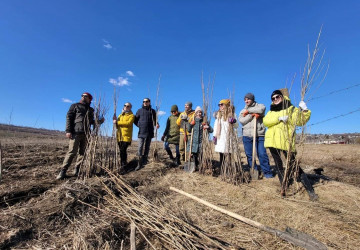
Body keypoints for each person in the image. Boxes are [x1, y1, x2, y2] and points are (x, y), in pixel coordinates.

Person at [263, 90, 317, 200]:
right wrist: (278, 119)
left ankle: (310, 191)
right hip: (272, 142)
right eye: (273, 98)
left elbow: (300, 121)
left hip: (286, 142)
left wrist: (305, 110)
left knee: (294, 166)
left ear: (282, 97)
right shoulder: (271, 111)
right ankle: (284, 188)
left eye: (277, 97)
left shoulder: (291, 109)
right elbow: (266, 121)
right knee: (278, 166)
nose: (275, 99)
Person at [56, 92, 105, 180]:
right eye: (82, 96)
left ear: (89, 99)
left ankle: (77, 170)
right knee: (72, 152)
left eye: (85, 96)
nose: (83, 97)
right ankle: (63, 171)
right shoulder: (75, 106)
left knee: (82, 153)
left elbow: (92, 122)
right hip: (75, 132)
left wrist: (100, 121)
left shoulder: (91, 110)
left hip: (86, 133)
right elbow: (69, 117)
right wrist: (68, 130)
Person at [239, 93, 273, 178]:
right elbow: (242, 121)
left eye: (248, 99)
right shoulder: (243, 110)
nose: (246, 101)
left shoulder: (260, 106)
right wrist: (251, 115)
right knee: (249, 154)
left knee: (262, 154)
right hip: (247, 135)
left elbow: (261, 110)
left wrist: (249, 111)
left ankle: (267, 172)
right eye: (245, 99)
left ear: (252, 99)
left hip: (259, 134)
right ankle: (254, 170)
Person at [134, 98, 159, 170]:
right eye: (144, 101)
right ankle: (139, 162)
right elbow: (135, 120)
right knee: (140, 147)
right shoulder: (139, 110)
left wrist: (157, 124)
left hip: (150, 131)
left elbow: (155, 119)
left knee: (147, 147)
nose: (145, 102)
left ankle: (145, 160)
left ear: (149, 102)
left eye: (146, 101)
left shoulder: (152, 111)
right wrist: (139, 125)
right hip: (142, 131)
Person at [213, 99, 238, 166]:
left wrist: (234, 121)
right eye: (219, 105)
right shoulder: (218, 115)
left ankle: (229, 168)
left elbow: (236, 126)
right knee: (221, 153)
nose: (220, 106)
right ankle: (222, 168)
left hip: (228, 136)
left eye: (222, 105)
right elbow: (216, 126)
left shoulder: (232, 114)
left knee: (228, 153)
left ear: (226, 105)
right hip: (220, 137)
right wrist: (214, 136)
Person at [113, 102, 135, 168]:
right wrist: (115, 122)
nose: (126, 106)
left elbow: (128, 123)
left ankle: (124, 164)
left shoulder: (131, 115)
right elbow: (117, 126)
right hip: (119, 136)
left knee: (123, 149)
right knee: (121, 151)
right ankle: (123, 163)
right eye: (125, 105)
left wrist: (117, 122)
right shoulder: (120, 115)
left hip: (126, 136)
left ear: (130, 107)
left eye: (128, 106)